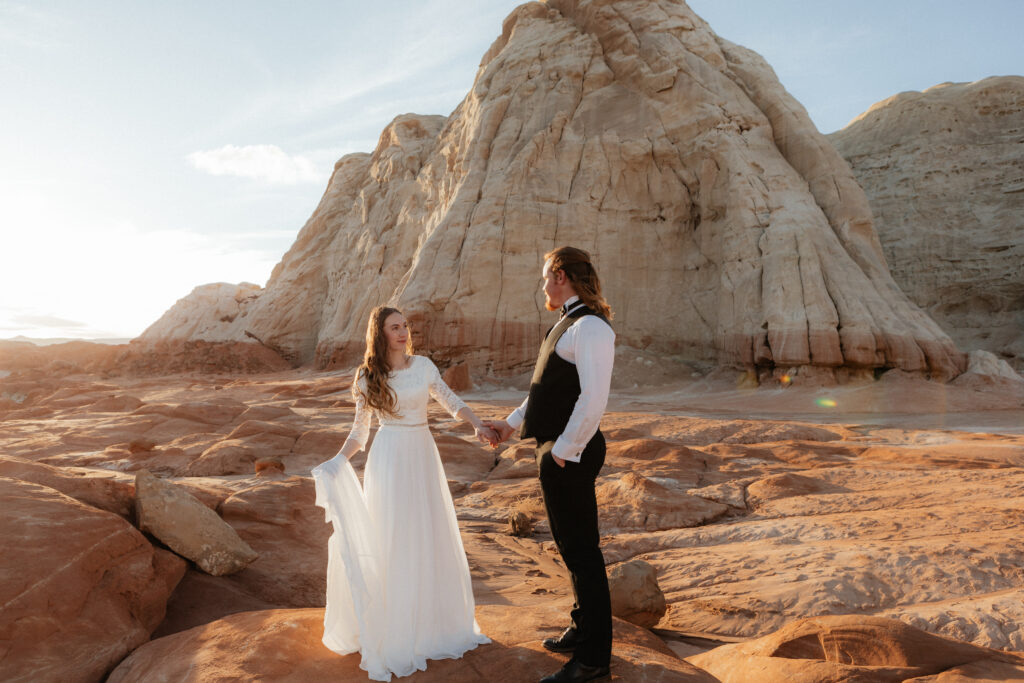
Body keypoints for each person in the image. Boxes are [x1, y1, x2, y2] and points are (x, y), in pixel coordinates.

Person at [311, 305, 496, 681]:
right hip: (389, 459)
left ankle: (431, 623)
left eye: (405, 326)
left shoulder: (424, 365)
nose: (403, 332)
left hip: (422, 455)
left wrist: (478, 425)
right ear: (379, 334)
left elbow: (450, 401)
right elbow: (360, 433)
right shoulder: (367, 376)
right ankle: (395, 626)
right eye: (395, 327)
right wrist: (336, 461)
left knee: (427, 533)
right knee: (393, 538)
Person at [487, 246, 615, 683]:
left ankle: (594, 660)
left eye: (545, 276)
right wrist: (508, 426)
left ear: (561, 275)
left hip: (570, 454)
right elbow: (543, 390)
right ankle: (582, 630)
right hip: (557, 450)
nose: (542, 284)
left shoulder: (591, 327)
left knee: (583, 553)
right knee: (571, 549)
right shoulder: (568, 321)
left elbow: (594, 397)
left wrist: (564, 450)